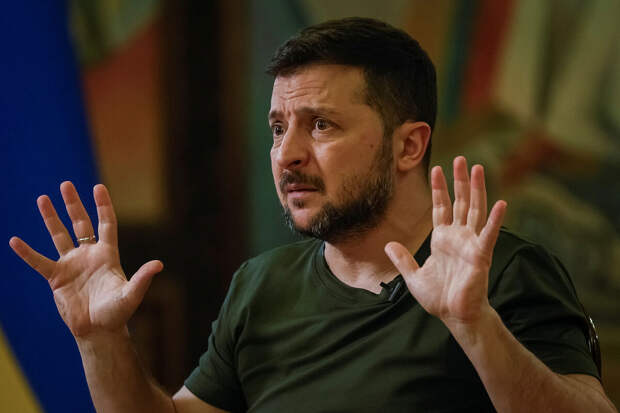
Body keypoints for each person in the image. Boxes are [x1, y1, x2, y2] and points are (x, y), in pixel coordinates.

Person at [8, 17, 617, 413]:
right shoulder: (262, 285)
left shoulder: (508, 274)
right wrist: (100, 339)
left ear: (409, 146)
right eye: (279, 128)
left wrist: (475, 326)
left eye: (321, 125)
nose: (287, 154)